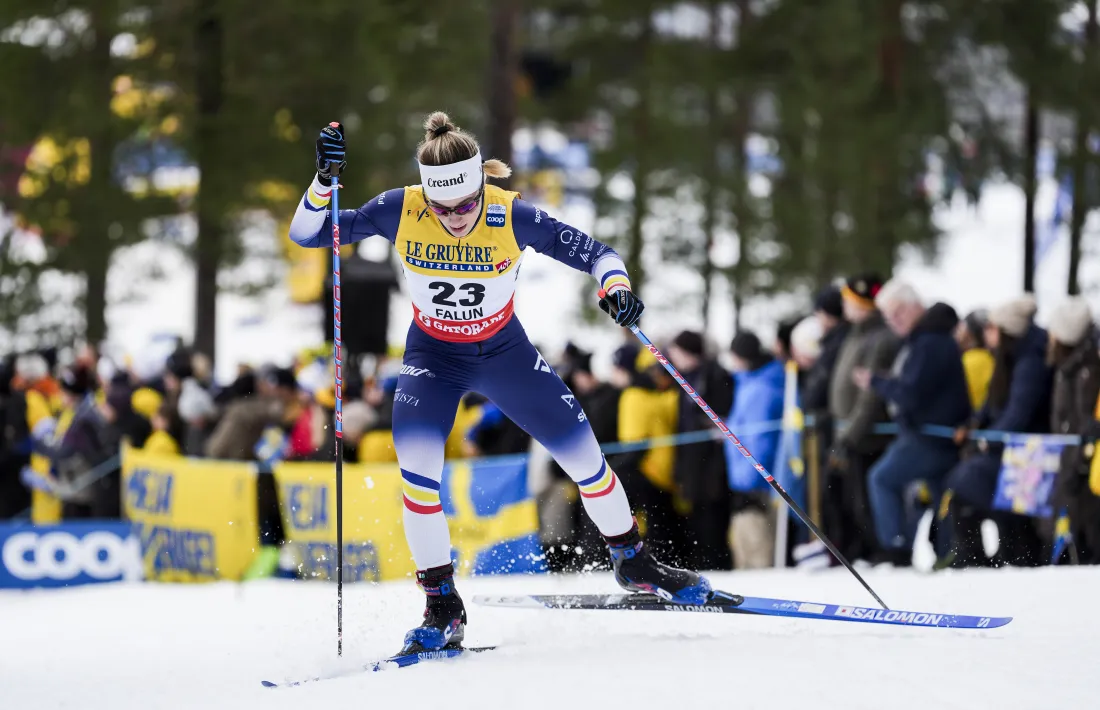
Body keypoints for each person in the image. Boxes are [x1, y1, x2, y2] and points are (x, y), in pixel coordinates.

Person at [288, 113, 709, 654]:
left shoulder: (513, 215)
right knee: (418, 481)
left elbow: (599, 255)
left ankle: (633, 562)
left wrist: (616, 286)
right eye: (443, 208)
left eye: (466, 204)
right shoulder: (401, 208)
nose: (456, 218)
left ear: (482, 185)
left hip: (504, 354)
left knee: (586, 461)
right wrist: (324, 179)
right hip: (433, 358)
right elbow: (308, 233)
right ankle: (442, 607)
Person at [854, 282, 970, 565]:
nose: (894, 321)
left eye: (898, 312)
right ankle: (948, 554)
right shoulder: (926, 339)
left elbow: (912, 393)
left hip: (930, 437)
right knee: (942, 495)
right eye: (888, 316)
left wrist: (877, 382)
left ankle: (896, 548)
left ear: (915, 306)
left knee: (881, 478)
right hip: (933, 435)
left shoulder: (929, 342)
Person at [725, 331, 786, 568]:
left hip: (754, 486)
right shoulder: (748, 383)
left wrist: (750, 481)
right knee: (743, 549)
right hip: (743, 481)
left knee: (757, 551)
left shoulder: (761, 388)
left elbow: (761, 440)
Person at [1046, 297, 1100, 563]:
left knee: (1089, 532)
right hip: (1069, 457)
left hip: (1085, 463)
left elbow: (1084, 421)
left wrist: (1079, 462)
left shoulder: (1087, 370)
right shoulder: (1066, 367)